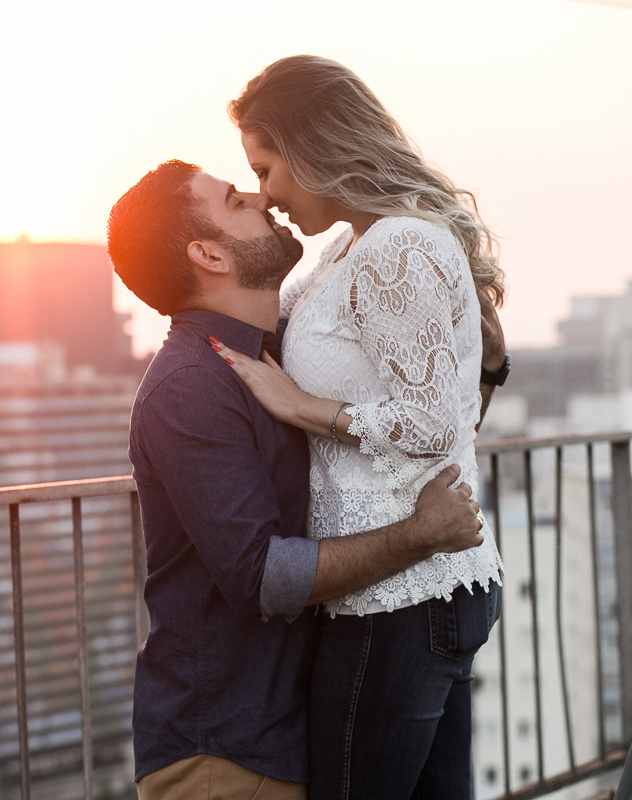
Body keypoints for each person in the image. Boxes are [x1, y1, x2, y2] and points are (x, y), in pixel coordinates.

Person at [106, 159, 486, 800]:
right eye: (234, 199)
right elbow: (263, 578)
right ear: (208, 254)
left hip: (288, 734)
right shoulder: (189, 386)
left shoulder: (278, 351)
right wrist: (421, 534)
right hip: (224, 755)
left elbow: (418, 422)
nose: (261, 195)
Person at [208, 55, 506, 798]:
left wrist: (303, 408)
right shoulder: (350, 246)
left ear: (314, 147)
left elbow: (435, 422)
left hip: (400, 600)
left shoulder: (397, 247)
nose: (267, 194)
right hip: (404, 588)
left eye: (267, 168)